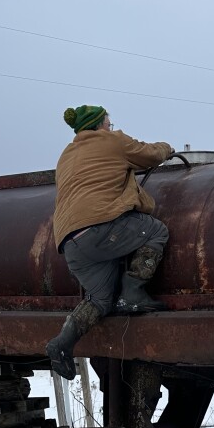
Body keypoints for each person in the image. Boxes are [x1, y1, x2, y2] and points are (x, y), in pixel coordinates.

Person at [45, 105, 174, 379]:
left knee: (100, 300)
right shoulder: (112, 142)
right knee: (155, 231)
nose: (111, 127)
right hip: (100, 227)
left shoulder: (67, 155)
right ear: (100, 125)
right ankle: (133, 295)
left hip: (71, 241)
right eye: (109, 123)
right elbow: (149, 154)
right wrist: (167, 147)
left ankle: (61, 344)